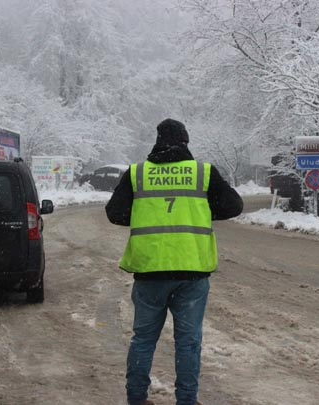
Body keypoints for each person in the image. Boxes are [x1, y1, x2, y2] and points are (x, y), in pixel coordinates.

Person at [105, 118, 243, 405]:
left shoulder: (137, 173)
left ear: (156, 141)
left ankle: (136, 398)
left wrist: (146, 215)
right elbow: (233, 206)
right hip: (191, 272)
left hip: (149, 271)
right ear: (185, 141)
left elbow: (114, 213)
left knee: (143, 339)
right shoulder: (202, 173)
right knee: (189, 342)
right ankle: (187, 400)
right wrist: (199, 213)